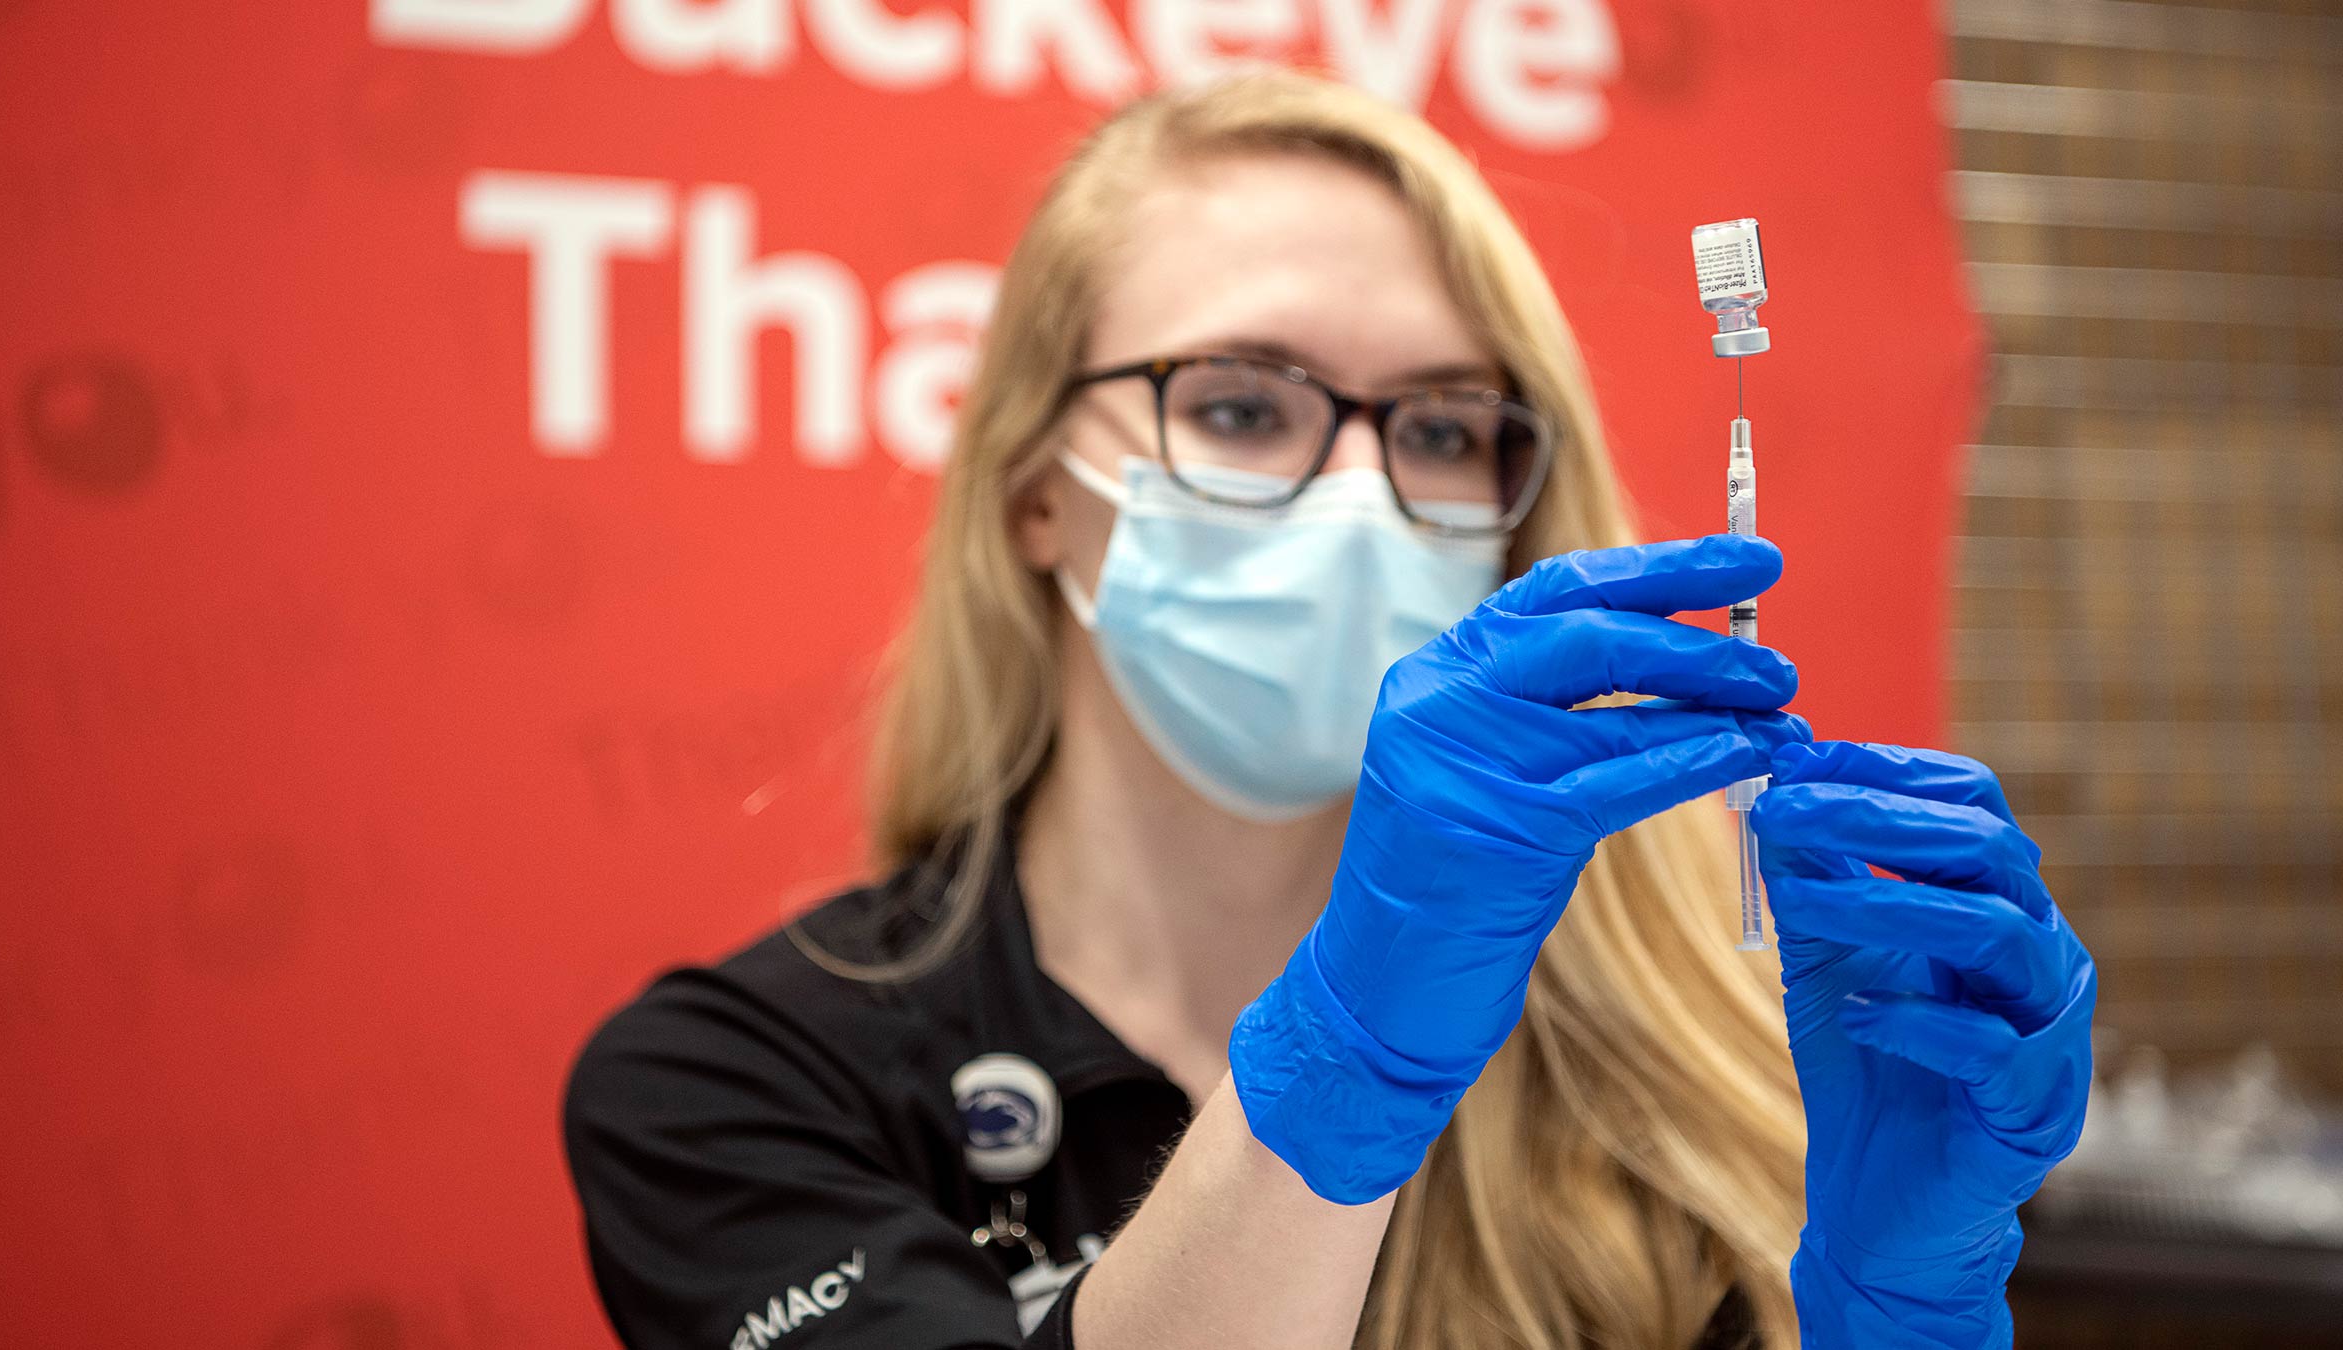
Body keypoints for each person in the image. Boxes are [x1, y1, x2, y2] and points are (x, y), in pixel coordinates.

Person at [563, 71, 2095, 1350]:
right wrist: (1346, 1057)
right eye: (1239, 405)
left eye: (1441, 425)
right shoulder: (736, 1087)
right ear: (1036, 493)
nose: (1364, 495)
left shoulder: (1702, 1077)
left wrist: (1896, 1319)